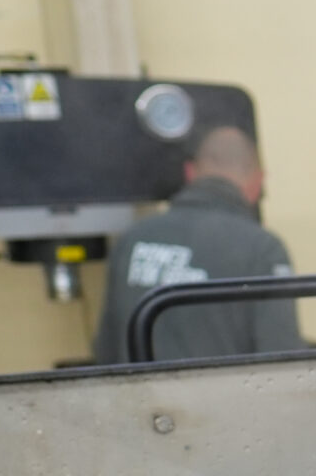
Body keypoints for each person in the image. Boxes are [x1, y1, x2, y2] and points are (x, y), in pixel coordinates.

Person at [92, 125, 303, 363]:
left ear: (190, 172)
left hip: (138, 389)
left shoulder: (131, 240)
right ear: (258, 182)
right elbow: (282, 356)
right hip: (223, 389)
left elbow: (106, 350)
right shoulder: (263, 249)